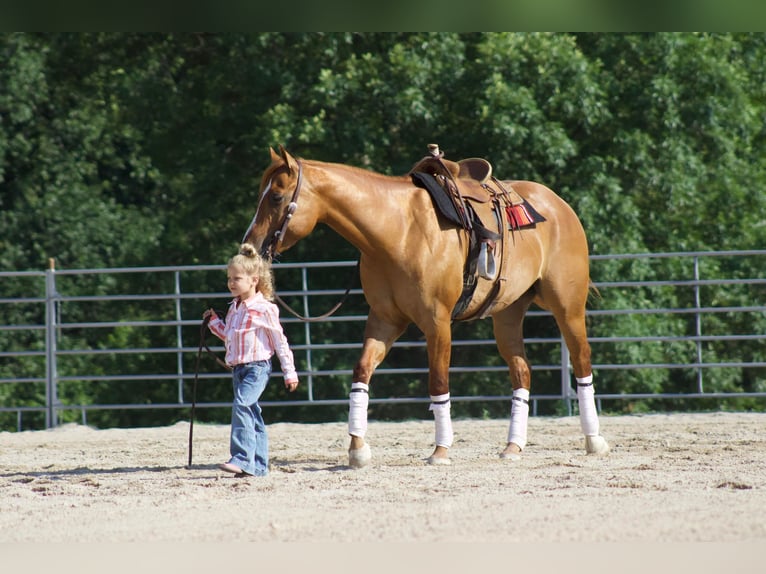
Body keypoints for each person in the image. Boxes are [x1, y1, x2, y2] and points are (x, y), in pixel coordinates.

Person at [203, 243, 299, 477]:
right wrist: (214, 323)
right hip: (239, 369)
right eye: (229, 278)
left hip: (257, 368)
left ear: (254, 280)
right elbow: (229, 335)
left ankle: (242, 458)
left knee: (242, 405)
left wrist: (290, 372)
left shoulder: (265, 309)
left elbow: (279, 341)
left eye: (237, 278)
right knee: (252, 414)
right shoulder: (235, 308)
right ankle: (258, 466)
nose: (231, 283)